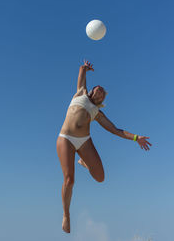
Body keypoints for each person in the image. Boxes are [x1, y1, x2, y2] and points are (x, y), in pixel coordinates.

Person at [56, 60, 152, 233]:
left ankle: (84, 162)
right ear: (91, 90)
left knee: (100, 177)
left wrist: (136, 138)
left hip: (84, 140)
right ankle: (66, 215)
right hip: (66, 139)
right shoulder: (80, 94)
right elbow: (81, 72)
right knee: (69, 180)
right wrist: (85, 68)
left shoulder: (98, 113)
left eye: (102, 94)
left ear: (102, 100)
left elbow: (115, 130)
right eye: (98, 89)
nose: (100, 92)